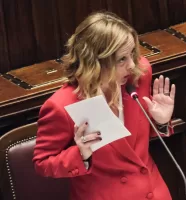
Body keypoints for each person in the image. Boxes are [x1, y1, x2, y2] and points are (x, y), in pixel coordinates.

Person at [33, 11, 176, 200]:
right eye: (121, 59)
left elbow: (135, 138)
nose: (132, 64)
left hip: (153, 193)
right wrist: (80, 154)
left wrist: (161, 123)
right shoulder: (62, 106)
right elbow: (42, 163)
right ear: (96, 63)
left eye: (132, 54)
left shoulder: (139, 75)